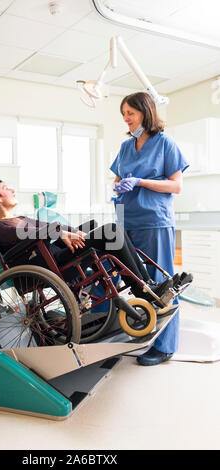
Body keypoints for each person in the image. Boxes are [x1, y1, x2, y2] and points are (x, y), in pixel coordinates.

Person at [0, 179, 177, 305]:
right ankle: (143, 290)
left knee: (108, 230)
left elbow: (50, 226)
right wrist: (59, 232)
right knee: (112, 231)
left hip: (55, 256)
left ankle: (148, 285)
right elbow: (21, 235)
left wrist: (74, 233)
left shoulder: (21, 217)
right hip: (48, 265)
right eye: (5, 188)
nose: (11, 190)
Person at [110, 91, 189, 366]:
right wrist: (119, 186)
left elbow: (176, 185)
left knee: (161, 284)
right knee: (136, 283)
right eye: (124, 114)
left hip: (154, 221)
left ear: (145, 112)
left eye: (130, 113)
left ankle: (165, 347)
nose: (126, 119)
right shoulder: (125, 147)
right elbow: (117, 180)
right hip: (127, 221)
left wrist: (141, 182)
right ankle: (141, 336)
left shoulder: (165, 143)